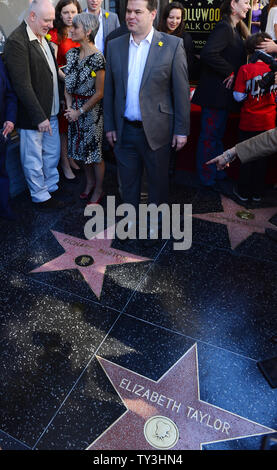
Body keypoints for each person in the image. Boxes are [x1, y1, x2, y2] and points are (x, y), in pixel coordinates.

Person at [104, 0, 190, 217]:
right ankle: (130, 225)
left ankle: (153, 228)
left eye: (137, 12)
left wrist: (181, 129)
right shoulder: (115, 45)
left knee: (157, 187)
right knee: (128, 186)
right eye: (128, 11)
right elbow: (110, 91)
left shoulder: (172, 45)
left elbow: (181, 92)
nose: (130, 16)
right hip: (125, 132)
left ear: (153, 14)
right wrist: (110, 126)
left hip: (157, 133)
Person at [3, 0, 66, 210]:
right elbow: (22, 85)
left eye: (51, 19)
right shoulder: (16, 41)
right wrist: (39, 116)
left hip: (53, 111)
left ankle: (51, 187)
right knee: (33, 158)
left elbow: (49, 71)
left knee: (52, 152)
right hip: (34, 116)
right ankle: (40, 196)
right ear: (32, 17)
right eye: (46, 20)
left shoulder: (41, 36)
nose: (50, 24)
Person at [192, 0, 250, 188]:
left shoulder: (233, 28)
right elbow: (209, 53)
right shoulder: (224, 27)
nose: (249, 6)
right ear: (234, 4)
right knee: (209, 137)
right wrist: (231, 72)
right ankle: (206, 176)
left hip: (221, 98)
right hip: (214, 97)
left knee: (215, 136)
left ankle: (214, 172)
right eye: (246, 2)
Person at [64, 12, 105, 205]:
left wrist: (79, 111)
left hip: (91, 112)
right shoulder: (71, 54)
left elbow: (99, 93)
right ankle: (88, 184)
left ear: (88, 32)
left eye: (75, 27)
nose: (71, 30)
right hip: (74, 111)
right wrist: (71, 109)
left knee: (94, 154)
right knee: (81, 152)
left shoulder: (98, 59)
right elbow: (68, 86)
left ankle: (98, 188)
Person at [232, 31, 277, 202]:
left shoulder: (245, 69)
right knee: (262, 161)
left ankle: (243, 192)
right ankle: (257, 193)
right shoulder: (274, 69)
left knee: (246, 157)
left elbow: (238, 96)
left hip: (249, 121)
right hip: (268, 121)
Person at [49, 0, 82, 182]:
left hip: (78, 87)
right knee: (63, 127)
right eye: (66, 12)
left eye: (73, 12)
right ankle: (65, 164)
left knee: (72, 126)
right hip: (62, 86)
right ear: (59, 14)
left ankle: (70, 157)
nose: (70, 16)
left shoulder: (79, 31)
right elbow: (54, 65)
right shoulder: (55, 35)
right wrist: (68, 80)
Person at [157, 1, 199, 81]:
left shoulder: (185, 38)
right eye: (171, 17)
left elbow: (187, 66)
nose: (174, 21)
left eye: (178, 18)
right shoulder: (156, 35)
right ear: (165, 17)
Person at [0, 56, 17, 220]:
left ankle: (5, 210)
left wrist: (11, 118)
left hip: (1, 131)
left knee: (1, 172)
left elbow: (10, 94)